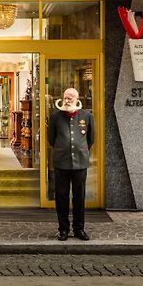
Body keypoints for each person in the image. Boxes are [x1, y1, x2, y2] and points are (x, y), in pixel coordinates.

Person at [47, 87, 95, 241]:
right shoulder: (55, 117)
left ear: (77, 99)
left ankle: (79, 229)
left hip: (80, 163)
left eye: (71, 98)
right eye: (66, 97)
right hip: (61, 162)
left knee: (79, 197)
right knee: (61, 197)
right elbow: (51, 139)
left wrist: (80, 150)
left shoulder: (86, 116)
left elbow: (90, 139)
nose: (68, 100)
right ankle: (63, 229)